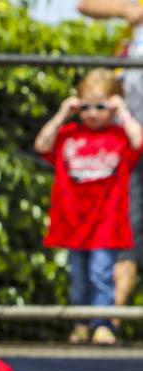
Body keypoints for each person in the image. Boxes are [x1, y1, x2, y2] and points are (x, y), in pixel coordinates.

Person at [34, 69, 143, 344]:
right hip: (73, 224)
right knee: (79, 278)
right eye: (86, 106)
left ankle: (103, 323)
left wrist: (122, 111)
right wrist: (62, 114)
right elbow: (41, 144)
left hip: (106, 224)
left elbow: (138, 141)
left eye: (100, 106)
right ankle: (81, 322)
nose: (92, 113)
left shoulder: (118, 136)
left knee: (101, 274)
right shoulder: (68, 135)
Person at [78, 0, 143, 318]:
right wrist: (128, 11)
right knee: (127, 232)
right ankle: (109, 318)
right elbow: (86, 5)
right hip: (130, 143)